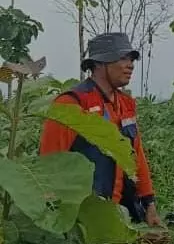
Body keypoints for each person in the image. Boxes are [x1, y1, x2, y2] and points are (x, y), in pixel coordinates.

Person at [40, 32, 161, 226]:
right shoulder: (72, 103)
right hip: (84, 215)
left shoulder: (126, 103)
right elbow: (49, 163)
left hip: (121, 211)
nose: (130, 64)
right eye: (122, 58)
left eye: (131, 59)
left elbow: (136, 156)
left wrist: (149, 203)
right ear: (98, 64)